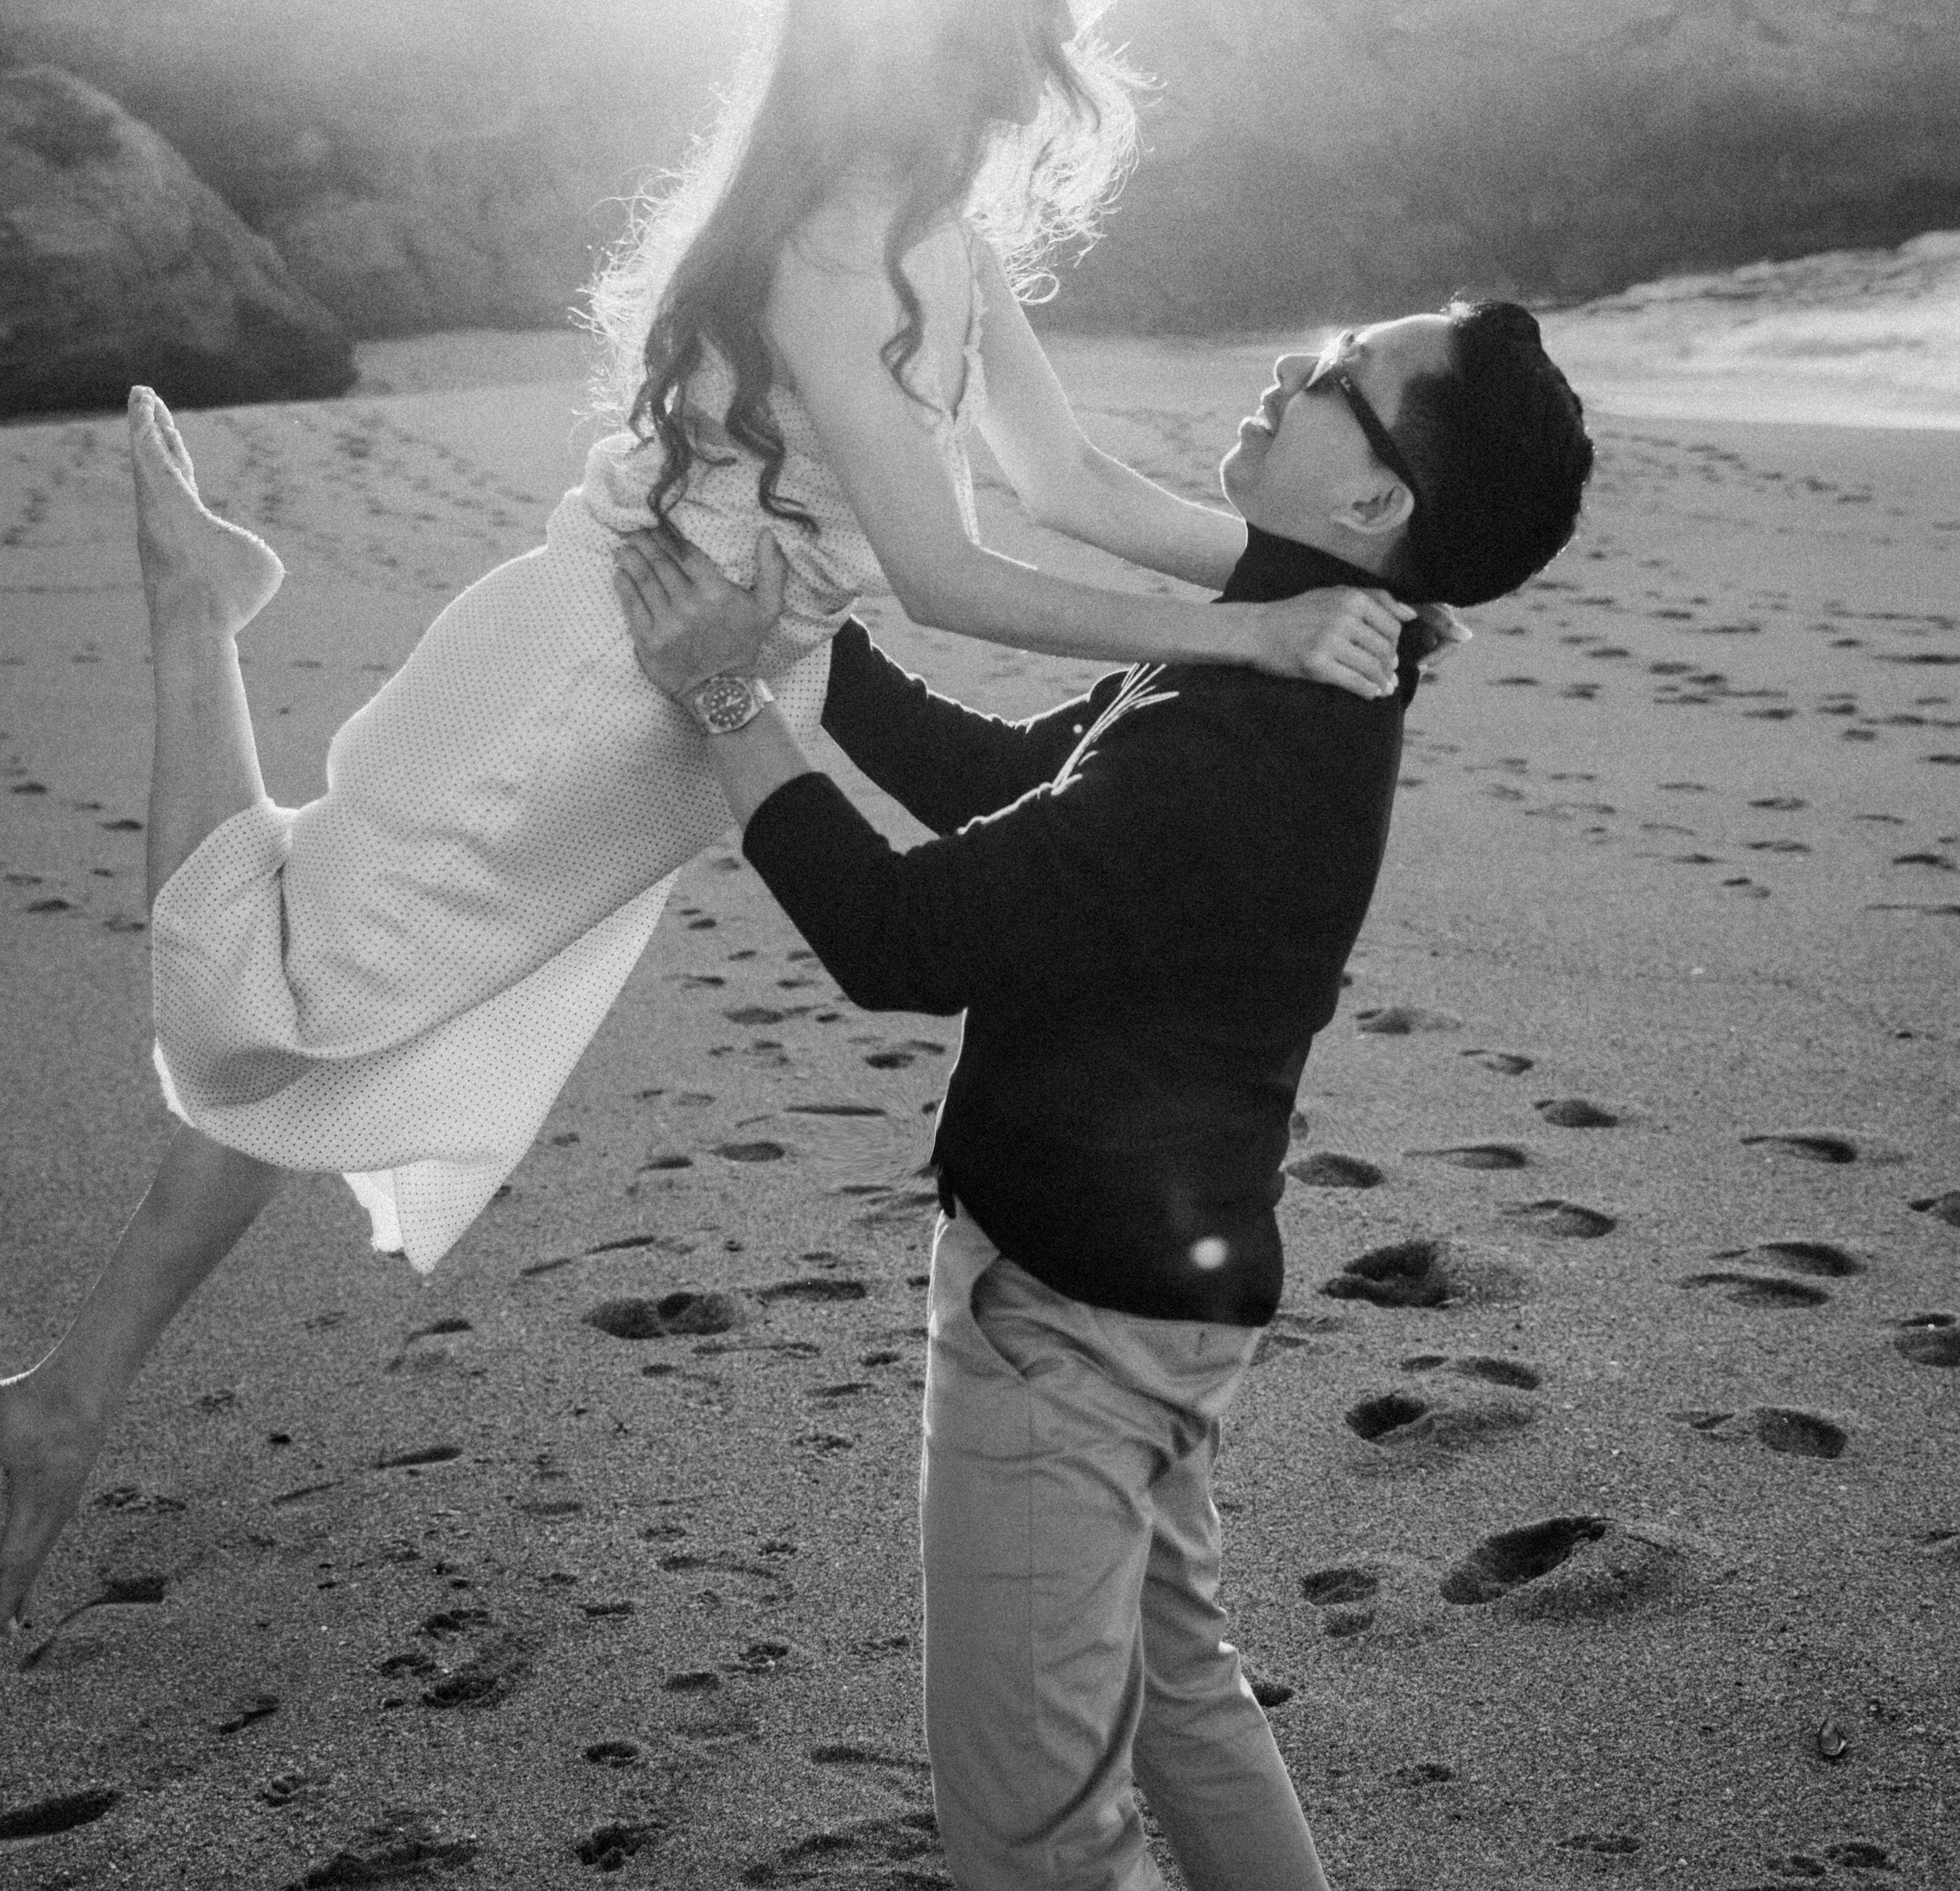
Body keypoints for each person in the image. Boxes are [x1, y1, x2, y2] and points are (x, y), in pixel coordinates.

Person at [0, 0, 1415, 1634]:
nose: (1054, 27)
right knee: (265, 1002)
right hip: (590, 668)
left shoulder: (929, 236)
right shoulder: (828, 247)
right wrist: (1258, 625)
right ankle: (190, 611)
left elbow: (1071, 483)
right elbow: (946, 571)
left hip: (697, 676)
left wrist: (1363, 579)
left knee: (321, 1010)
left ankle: (70, 1389)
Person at [611, 296, 1593, 1891]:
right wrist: (818, 655)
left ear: (1371, 505)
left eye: (1335, 377)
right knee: (1178, 1704)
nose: (1290, 362)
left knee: (1033, 1840)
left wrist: (730, 703)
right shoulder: (1295, 657)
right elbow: (1029, 790)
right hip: (1156, 1302)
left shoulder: (1254, 722)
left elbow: (900, 940)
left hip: (1066, 1325)